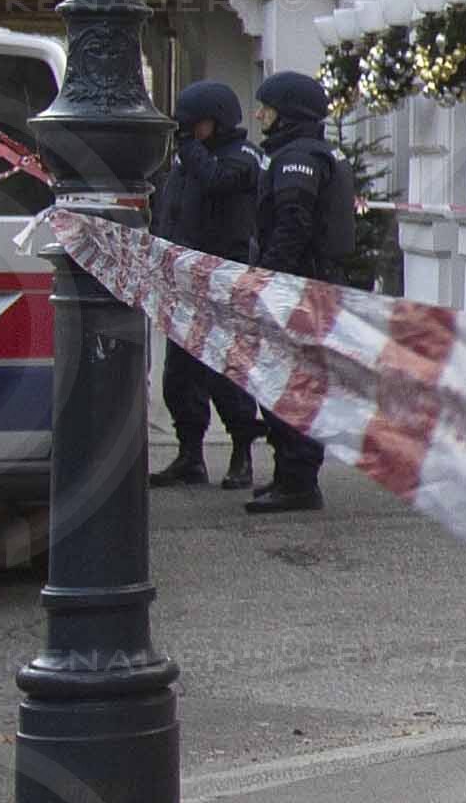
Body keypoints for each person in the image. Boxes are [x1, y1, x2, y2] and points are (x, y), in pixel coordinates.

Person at [242, 70, 353, 515]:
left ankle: (299, 480)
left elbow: (293, 223)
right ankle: (290, 474)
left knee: (290, 382)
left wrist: (268, 281)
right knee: (287, 380)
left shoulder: (298, 158)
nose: (259, 115)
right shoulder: (306, 152)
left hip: (298, 286)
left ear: (287, 112)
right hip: (308, 283)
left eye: (266, 108)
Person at [146, 78, 267, 486]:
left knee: (225, 372)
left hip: (223, 281)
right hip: (183, 282)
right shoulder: (188, 161)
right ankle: (189, 455)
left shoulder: (243, 157)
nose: (189, 132)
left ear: (217, 121)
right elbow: (170, 211)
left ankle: (241, 455)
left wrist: (191, 150)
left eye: (195, 124)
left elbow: (219, 182)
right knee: (179, 377)